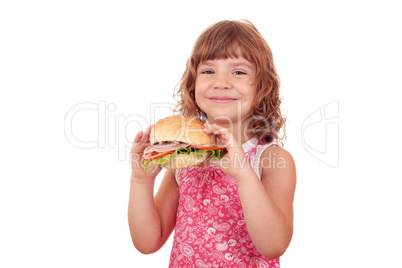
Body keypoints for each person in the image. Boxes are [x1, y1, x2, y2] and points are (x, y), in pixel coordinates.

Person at [128, 20, 296, 268]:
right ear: (193, 83)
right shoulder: (182, 159)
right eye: (208, 71)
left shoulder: (272, 159)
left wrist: (242, 173)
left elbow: (273, 246)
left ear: (262, 85)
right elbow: (148, 242)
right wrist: (141, 181)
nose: (221, 82)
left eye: (238, 72)